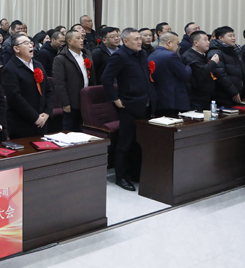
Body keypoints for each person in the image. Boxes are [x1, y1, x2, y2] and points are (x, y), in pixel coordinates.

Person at [101, 28, 156, 192]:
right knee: (125, 142)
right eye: (136, 39)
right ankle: (121, 176)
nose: (140, 41)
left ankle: (135, 173)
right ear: (125, 41)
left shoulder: (143, 54)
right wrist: (115, 99)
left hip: (145, 102)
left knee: (139, 141)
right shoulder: (120, 56)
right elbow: (106, 78)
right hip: (129, 104)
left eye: (140, 38)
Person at [0, 32, 54, 139]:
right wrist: (35, 117)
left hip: (42, 122)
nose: (31, 45)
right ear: (16, 49)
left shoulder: (38, 65)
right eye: (26, 43)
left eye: (30, 42)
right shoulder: (10, 69)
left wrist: (47, 113)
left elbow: (48, 90)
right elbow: (15, 98)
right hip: (22, 124)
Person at [52, 30, 93, 132]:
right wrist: (65, 103)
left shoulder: (87, 54)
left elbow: (92, 77)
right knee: (70, 130)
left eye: (82, 38)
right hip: (72, 100)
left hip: (86, 99)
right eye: (78, 38)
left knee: (86, 129)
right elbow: (59, 83)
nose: (81, 40)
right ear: (69, 41)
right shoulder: (61, 59)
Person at [148, 32, 192, 117]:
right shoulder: (171, 56)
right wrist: (188, 66)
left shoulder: (151, 55)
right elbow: (185, 74)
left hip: (158, 97)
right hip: (173, 98)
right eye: (177, 43)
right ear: (169, 43)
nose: (177, 46)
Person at [207, 26, 245, 106]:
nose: (233, 38)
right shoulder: (215, 52)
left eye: (234, 36)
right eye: (230, 36)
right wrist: (233, 92)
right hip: (223, 94)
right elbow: (220, 75)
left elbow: (243, 71)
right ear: (220, 38)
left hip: (237, 92)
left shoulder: (234, 51)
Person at [181, 31, 221, 110]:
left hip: (207, 96)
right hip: (196, 97)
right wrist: (213, 62)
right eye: (205, 40)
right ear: (196, 43)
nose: (208, 42)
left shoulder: (203, 55)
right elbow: (201, 72)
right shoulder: (189, 56)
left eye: (208, 40)